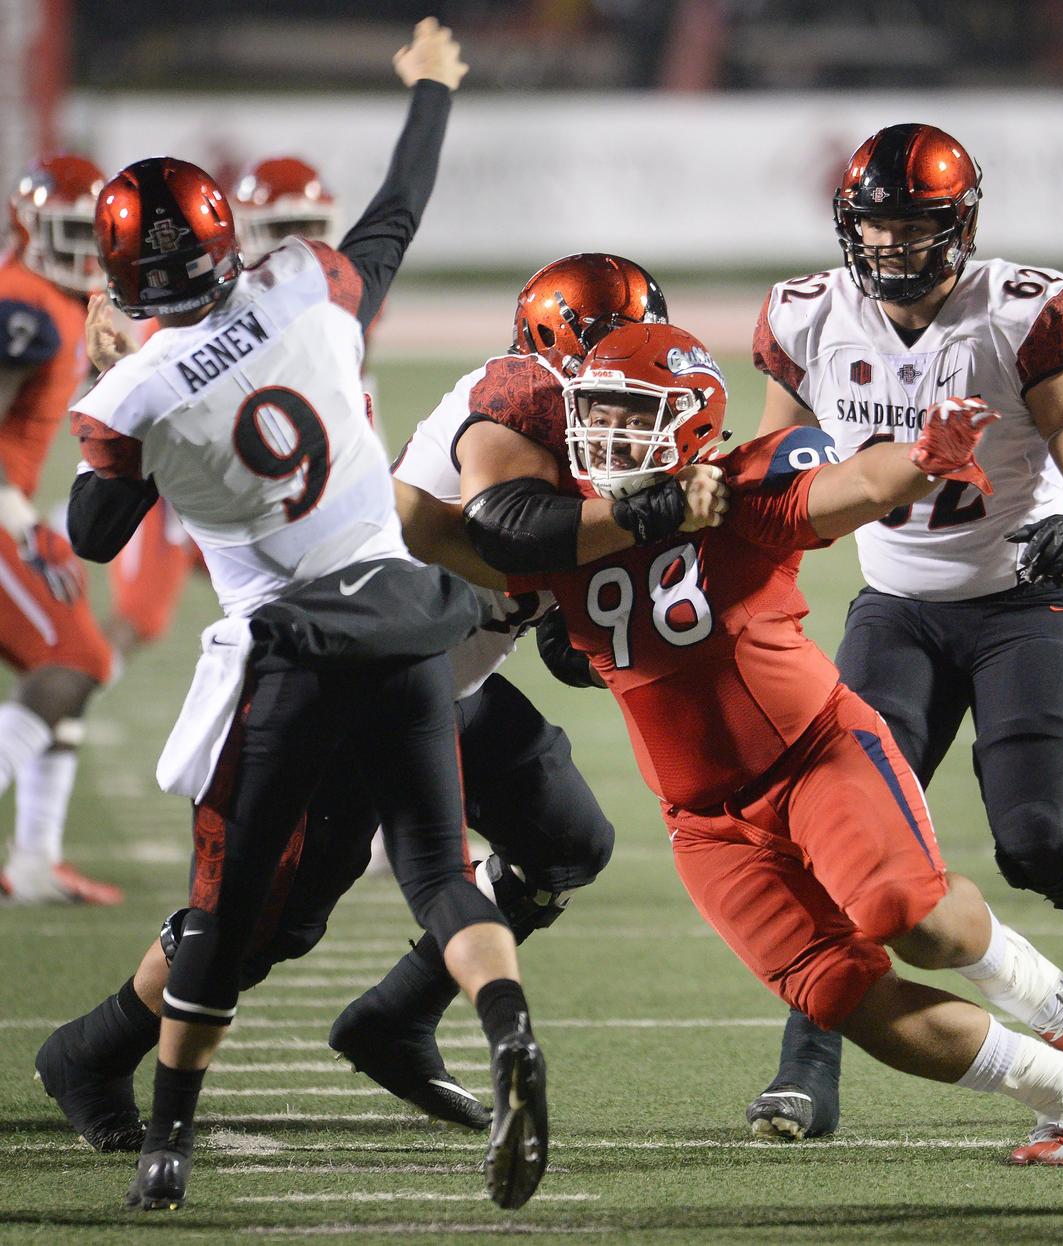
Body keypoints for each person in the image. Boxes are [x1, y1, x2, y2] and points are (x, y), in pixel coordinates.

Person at [65, 19, 547, 1214]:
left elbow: (91, 531)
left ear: (125, 278)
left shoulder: (131, 389)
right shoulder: (306, 288)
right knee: (441, 872)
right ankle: (506, 1027)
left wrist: (104, 365)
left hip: (283, 652)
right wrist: (431, 91)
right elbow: (397, 211)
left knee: (226, 914)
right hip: (401, 619)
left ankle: (167, 1145)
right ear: (229, 242)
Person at [508, 318, 1063, 1166]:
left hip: (813, 756)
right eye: (598, 412)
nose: (607, 433)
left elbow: (846, 487)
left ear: (688, 420)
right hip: (704, 821)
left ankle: (1042, 991)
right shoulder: (565, 522)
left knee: (913, 921)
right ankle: (1061, 1084)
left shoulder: (733, 489)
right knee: (839, 997)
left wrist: (922, 457)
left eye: (631, 413)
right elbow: (476, 547)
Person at [750, 122, 1063, 1141]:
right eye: (874, 226)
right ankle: (805, 1068)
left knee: (1039, 843)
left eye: (914, 227)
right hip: (897, 608)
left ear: (958, 227)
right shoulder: (805, 318)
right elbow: (775, 480)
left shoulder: (1016, 314)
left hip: (1024, 603)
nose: (890, 248)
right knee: (842, 842)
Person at [328, 251, 685, 1089]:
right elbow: (506, 530)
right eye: (608, 347)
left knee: (565, 841)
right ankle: (101, 1047)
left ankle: (396, 1015)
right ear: (551, 349)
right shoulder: (514, 395)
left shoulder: (603, 416)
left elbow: (555, 596)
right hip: (367, 682)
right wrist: (639, 518)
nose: (623, 367)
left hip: (452, 683)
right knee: (278, 911)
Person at [103, 156, 341, 662]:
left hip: (250, 485)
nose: (295, 243)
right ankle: (53, 725)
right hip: (185, 490)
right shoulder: (189, 316)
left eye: (309, 227)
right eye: (280, 229)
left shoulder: (329, 289)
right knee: (138, 615)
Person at [0, 153, 122, 905]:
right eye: (68, 232)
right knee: (74, 658)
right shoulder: (24, 306)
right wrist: (17, 519)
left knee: (74, 661)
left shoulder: (61, 300)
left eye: (93, 235)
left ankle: (37, 857)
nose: (83, 251)